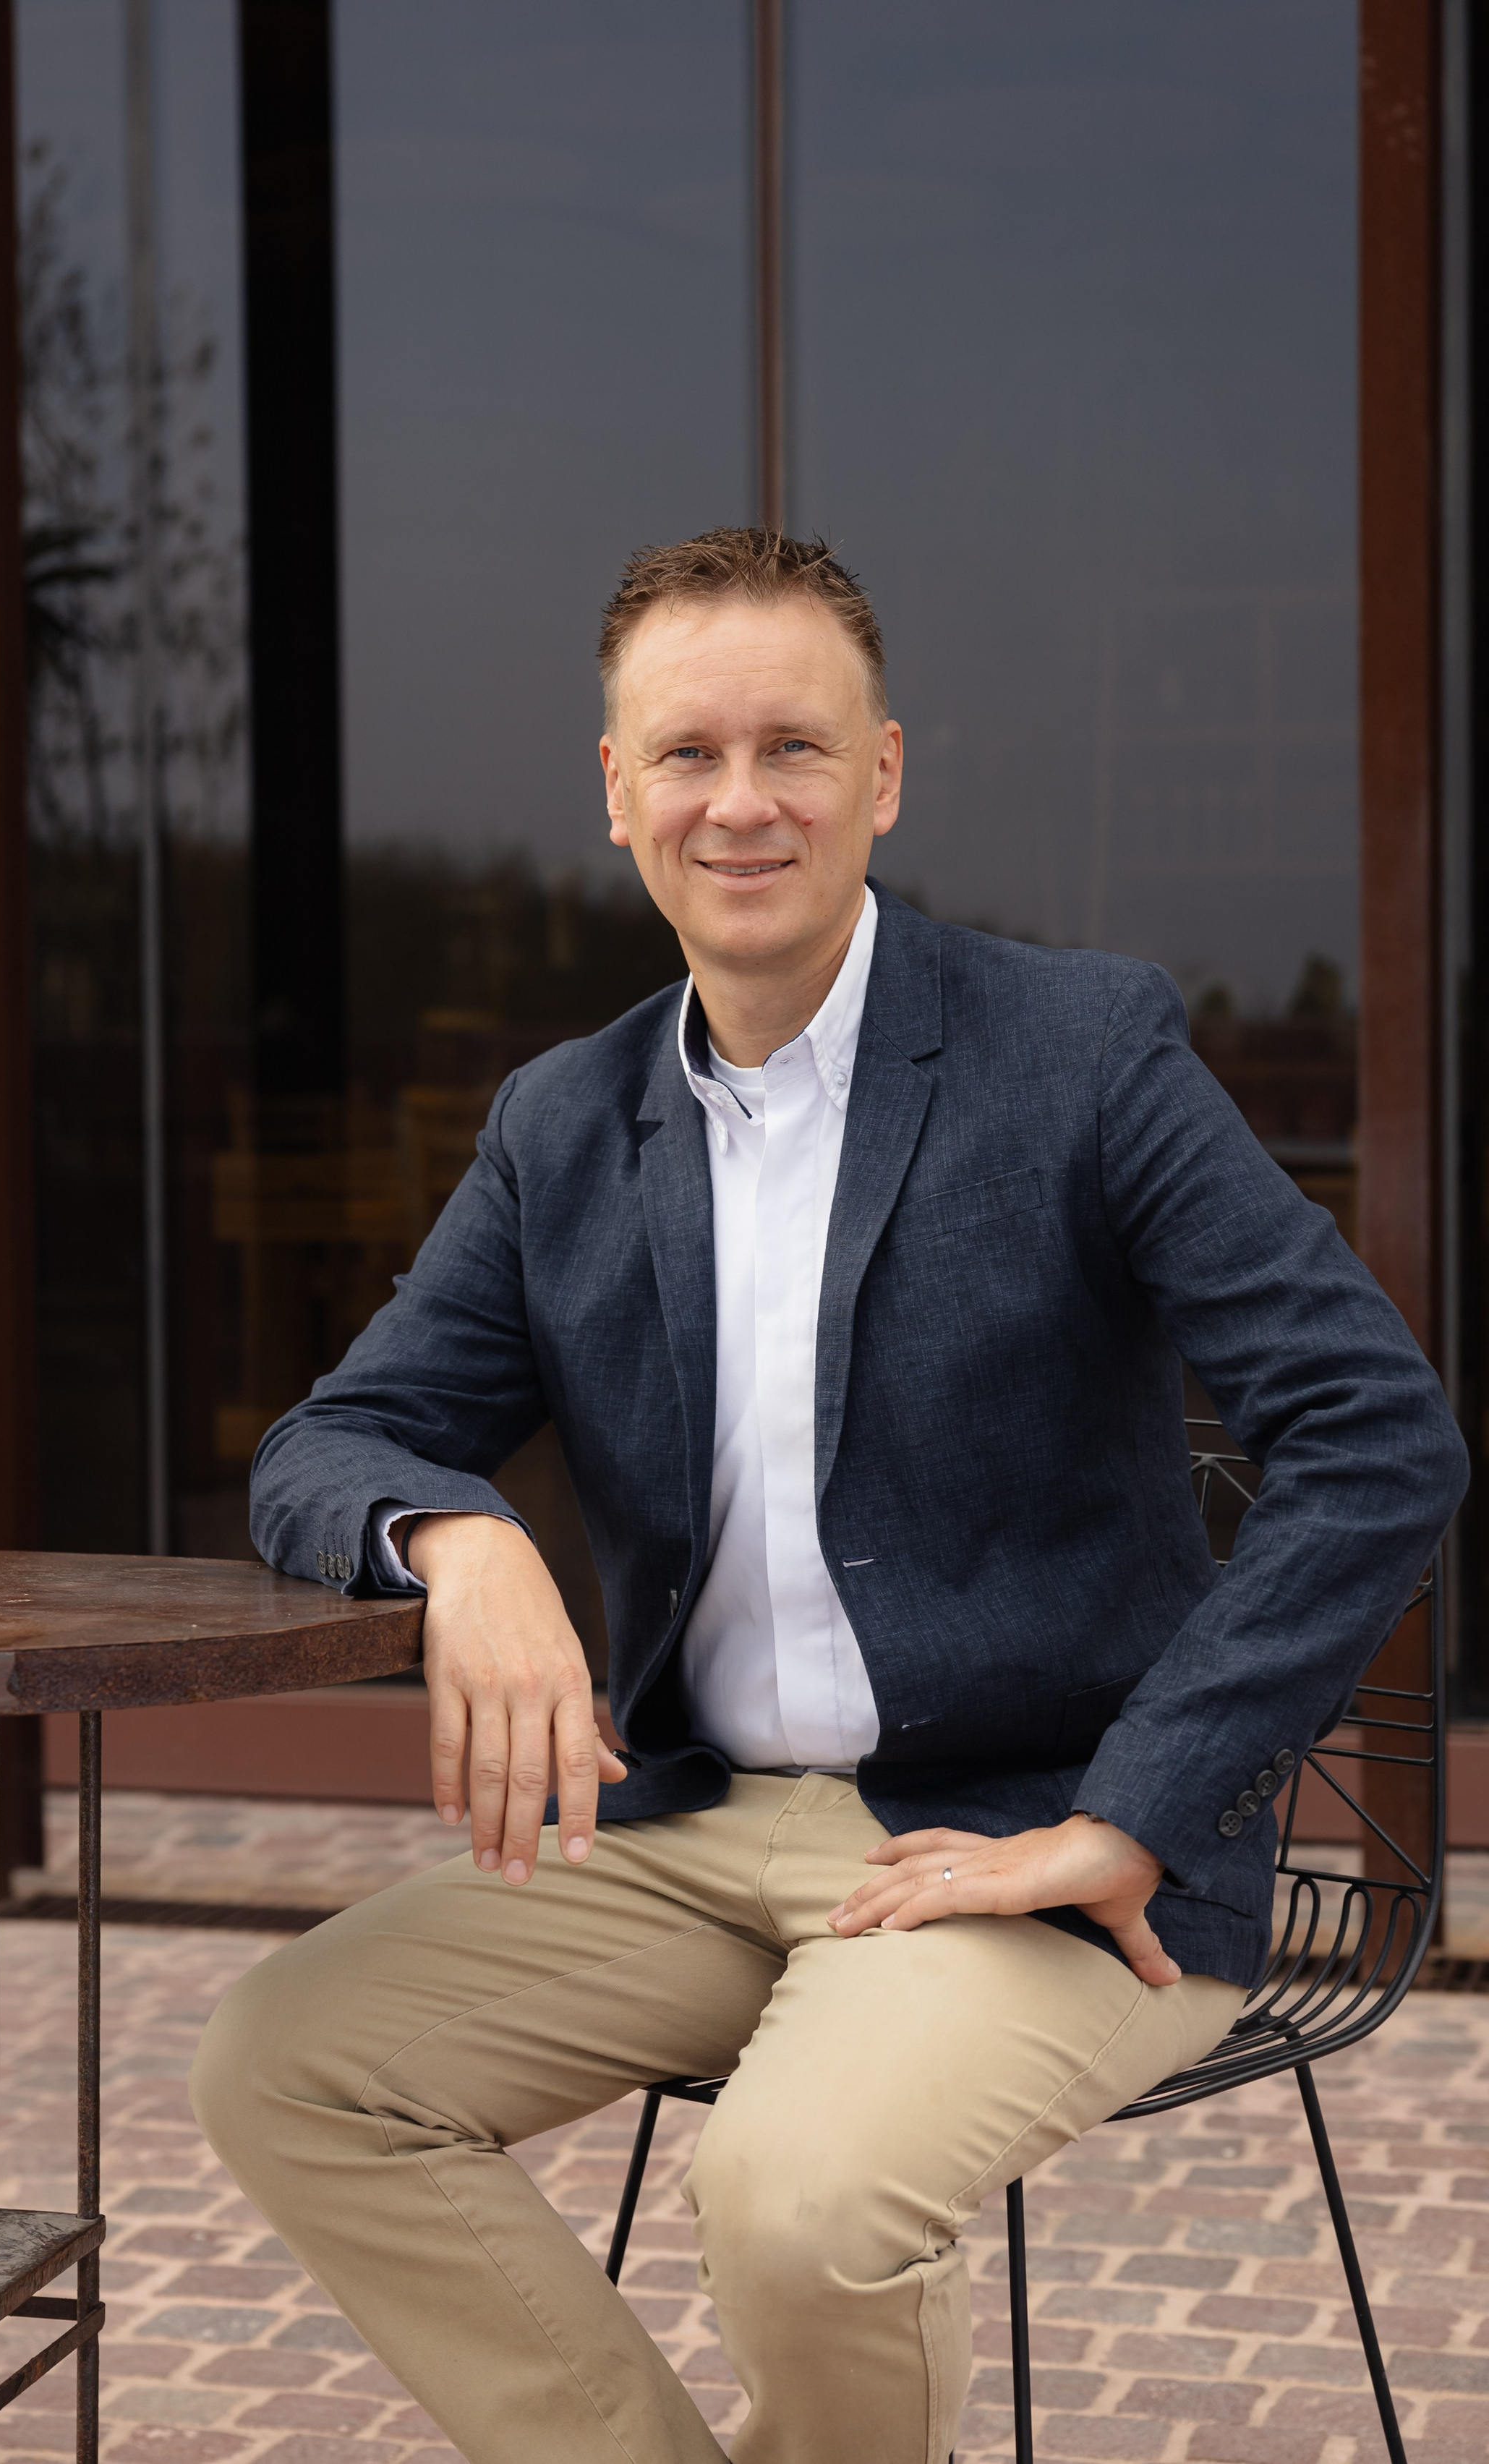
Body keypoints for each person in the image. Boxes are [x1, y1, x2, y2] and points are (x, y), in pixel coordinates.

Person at [190, 528, 1466, 2464]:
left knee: (794, 2207)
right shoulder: (564, 1122)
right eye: (688, 754)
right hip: (698, 1839)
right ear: (616, 794)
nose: (742, 800)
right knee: (287, 2064)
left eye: (796, 748)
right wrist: (460, 1540)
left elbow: (1379, 1435)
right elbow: (328, 1442)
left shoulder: (1080, 1051)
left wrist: (1137, 1809)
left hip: (1028, 1859)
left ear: (884, 776)